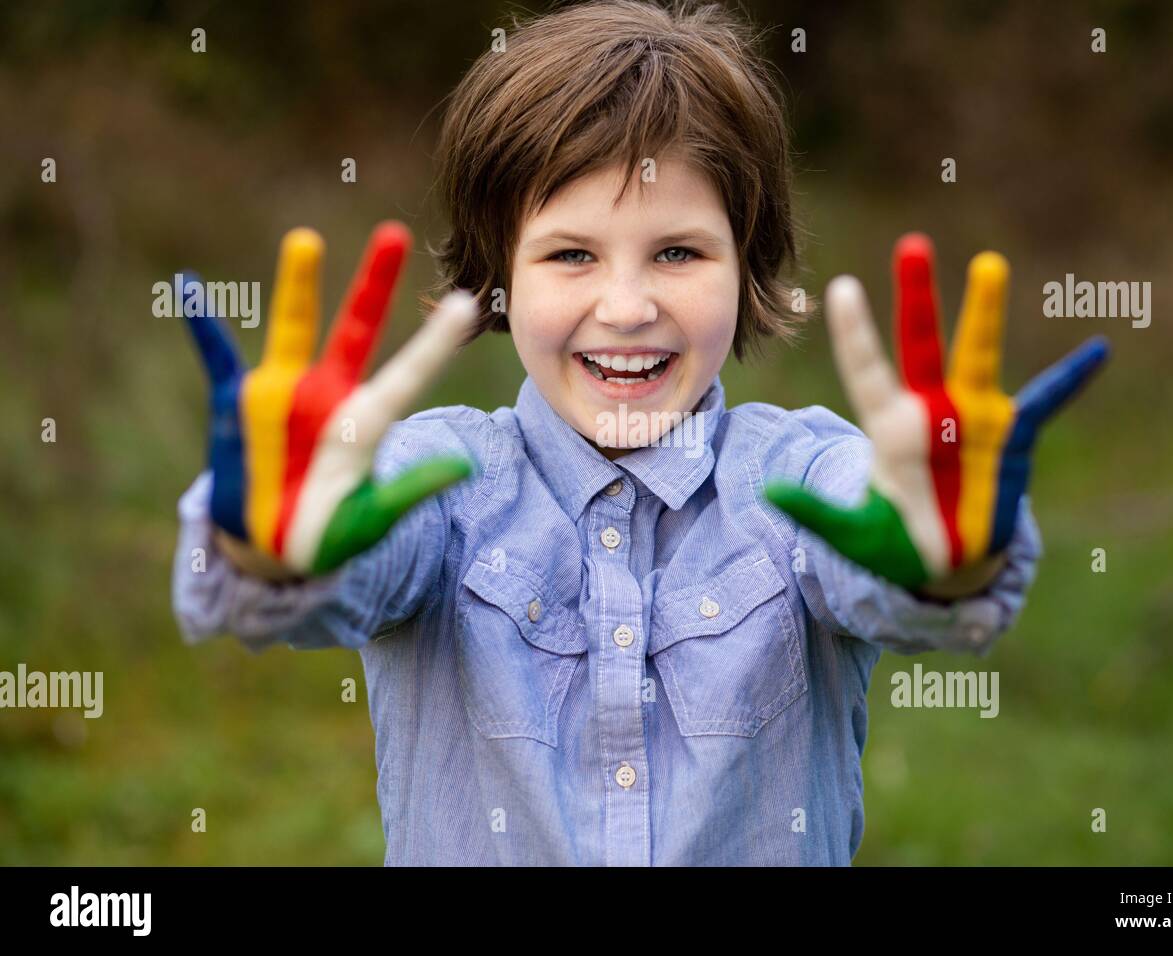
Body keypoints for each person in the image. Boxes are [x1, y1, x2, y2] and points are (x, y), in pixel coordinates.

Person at [172, 0, 1107, 865]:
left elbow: (900, 575)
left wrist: (945, 555)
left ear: (749, 268)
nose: (626, 306)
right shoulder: (438, 481)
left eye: (678, 252)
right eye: (571, 254)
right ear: (501, 275)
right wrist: (268, 547)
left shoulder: (798, 478)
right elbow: (324, 579)